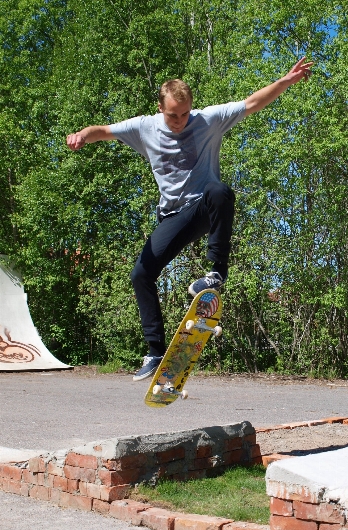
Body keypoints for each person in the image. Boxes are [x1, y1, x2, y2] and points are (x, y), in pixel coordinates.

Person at [66, 57, 313, 380]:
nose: (180, 121)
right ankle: (155, 353)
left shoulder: (208, 120)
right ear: (160, 107)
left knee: (219, 190)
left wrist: (286, 81)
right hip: (172, 216)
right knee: (141, 274)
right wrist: (83, 134)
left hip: (203, 209)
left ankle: (216, 274)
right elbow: (104, 131)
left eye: (184, 114)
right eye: (172, 115)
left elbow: (253, 102)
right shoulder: (144, 127)